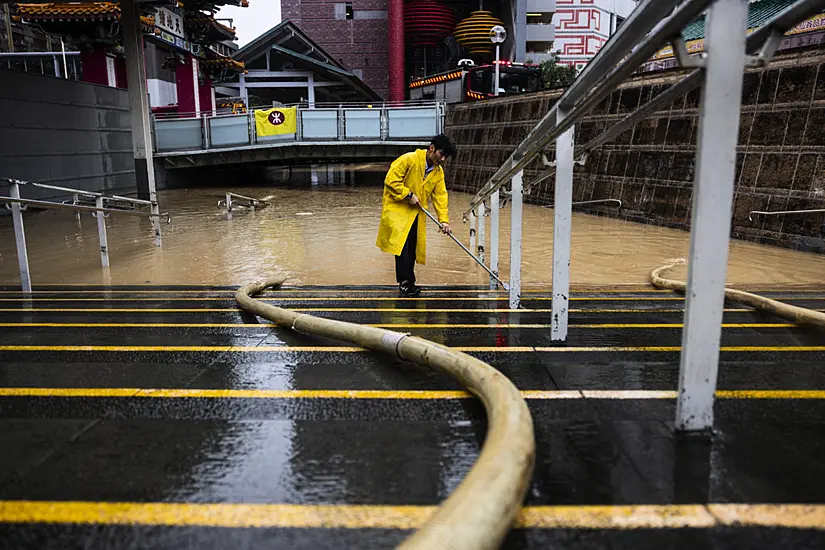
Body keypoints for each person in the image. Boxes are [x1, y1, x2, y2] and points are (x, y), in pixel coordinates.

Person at [376, 134, 456, 297]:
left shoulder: (437, 172)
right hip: (398, 209)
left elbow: (440, 196)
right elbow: (391, 181)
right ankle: (406, 282)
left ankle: (408, 281)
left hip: (416, 212)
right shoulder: (409, 159)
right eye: (442, 154)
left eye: (446, 157)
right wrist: (408, 195)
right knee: (403, 246)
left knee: (412, 246)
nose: (443, 159)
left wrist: (444, 221)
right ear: (432, 149)